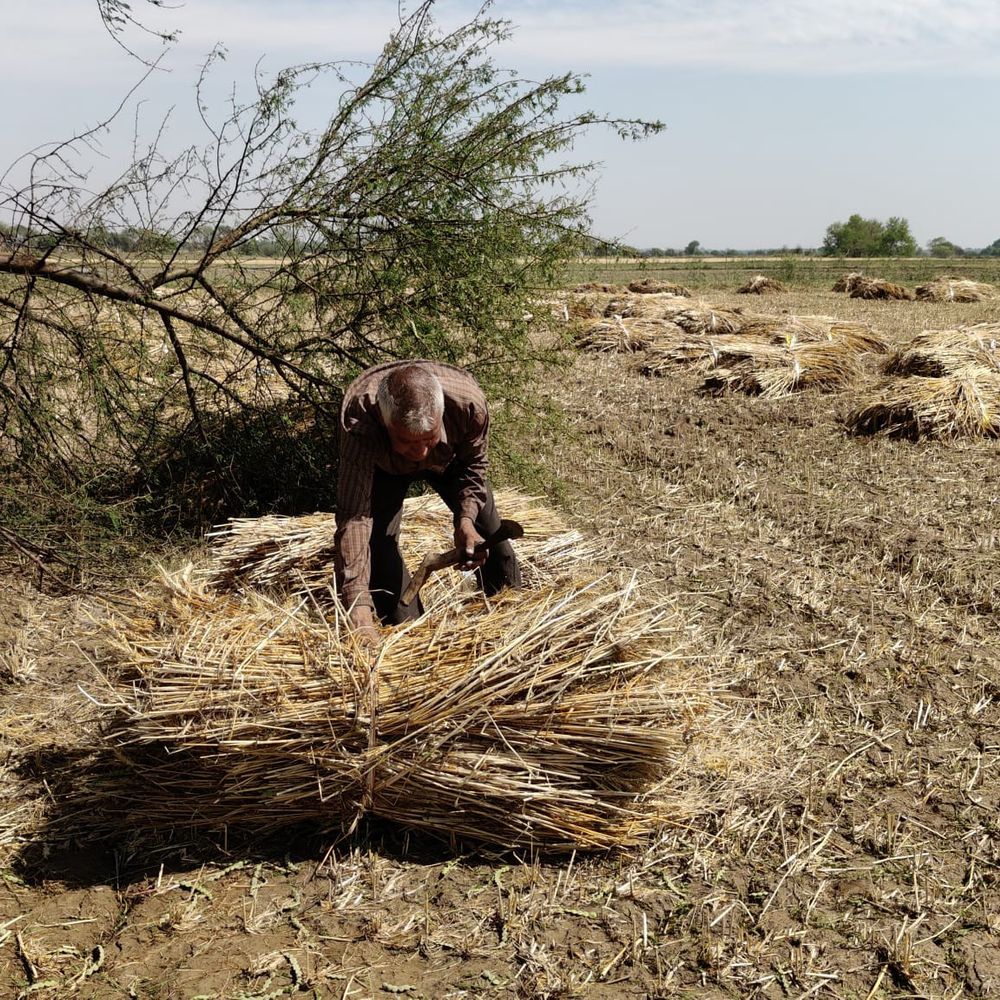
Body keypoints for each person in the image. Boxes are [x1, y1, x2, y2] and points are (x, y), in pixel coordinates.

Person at [334, 360, 521, 646]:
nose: (420, 452)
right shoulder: (361, 422)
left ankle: (512, 617)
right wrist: (357, 606)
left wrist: (465, 520)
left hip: (452, 461)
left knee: (490, 534)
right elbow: (355, 517)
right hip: (385, 470)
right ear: (386, 424)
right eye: (408, 442)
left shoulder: (467, 405)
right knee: (379, 545)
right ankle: (414, 638)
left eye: (429, 438)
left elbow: (474, 466)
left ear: (441, 413)